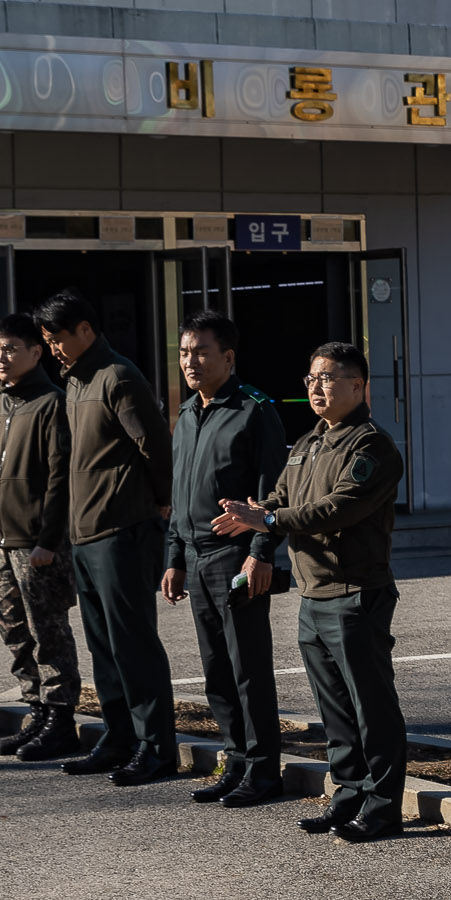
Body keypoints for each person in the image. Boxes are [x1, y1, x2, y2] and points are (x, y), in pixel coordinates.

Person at [215, 342, 407, 841]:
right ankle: (347, 798)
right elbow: (282, 496)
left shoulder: (371, 445)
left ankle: (383, 809)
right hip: (313, 594)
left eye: (327, 378)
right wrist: (254, 512)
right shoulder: (307, 444)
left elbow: (337, 510)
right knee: (335, 711)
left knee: (371, 708)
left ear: (358, 386)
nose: (315, 388)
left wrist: (272, 518)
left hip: (355, 593)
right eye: (310, 379)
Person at [36, 290, 176, 786]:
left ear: (86, 331)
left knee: (133, 643)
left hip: (122, 529)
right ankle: (119, 738)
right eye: (47, 339)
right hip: (86, 533)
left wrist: (161, 500)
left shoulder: (117, 376)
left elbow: (155, 445)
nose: (52, 347)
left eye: (58, 337)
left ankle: (157, 747)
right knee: (104, 647)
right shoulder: (75, 381)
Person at [164, 311, 288, 807]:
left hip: (235, 557)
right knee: (217, 671)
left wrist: (259, 554)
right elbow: (179, 494)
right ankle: (234, 761)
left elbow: (272, 494)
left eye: (201, 352)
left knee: (247, 668)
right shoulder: (187, 414)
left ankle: (262, 770)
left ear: (229, 357)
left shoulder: (254, 411)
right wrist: (173, 556)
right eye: (184, 352)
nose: (190, 362)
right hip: (195, 557)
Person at [0, 314, 80, 762]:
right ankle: (36, 711)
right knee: (13, 629)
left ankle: (60, 717)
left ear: (37, 352)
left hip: (36, 545)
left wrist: (48, 541)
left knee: (47, 629)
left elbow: (58, 478)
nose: (1, 358)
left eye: (10, 349)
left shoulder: (52, 403)